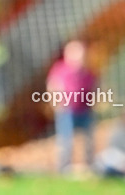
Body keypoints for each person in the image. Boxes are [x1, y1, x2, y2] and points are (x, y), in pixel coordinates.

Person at [47, 39, 97, 173]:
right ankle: (63, 166)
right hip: (66, 110)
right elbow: (53, 86)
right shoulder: (60, 70)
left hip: (84, 110)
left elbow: (94, 88)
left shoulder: (87, 72)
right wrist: (56, 103)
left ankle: (89, 165)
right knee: (65, 138)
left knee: (88, 139)